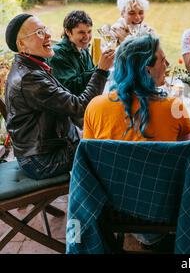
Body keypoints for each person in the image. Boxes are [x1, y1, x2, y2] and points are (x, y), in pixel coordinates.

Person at [83, 34, 190, 250]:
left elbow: (91, 162)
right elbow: (189, 158)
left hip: (114, 206)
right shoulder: (174, 107)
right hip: (161, 206)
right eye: (162, 59)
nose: (167, 64)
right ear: (147, 69)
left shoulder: (95, 106)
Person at [4, 14, 113, 180]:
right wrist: (101, 71)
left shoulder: (34, 66)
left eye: (45, 29)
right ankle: (97, 204)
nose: (48, 35)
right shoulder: (30, 78)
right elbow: (79, 107)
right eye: (39, 32)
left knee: (106, 133)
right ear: (22, 44)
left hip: (46, 147)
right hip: (40, 160)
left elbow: (69, 105)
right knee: (110, 148)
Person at [48, 10, 115, 95]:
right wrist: (100, 69)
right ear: (68, 32)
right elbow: (71, 89)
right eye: (81, 32)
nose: (87, 37)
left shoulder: (83, 48)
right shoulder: (57, 54)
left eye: (89, 31)